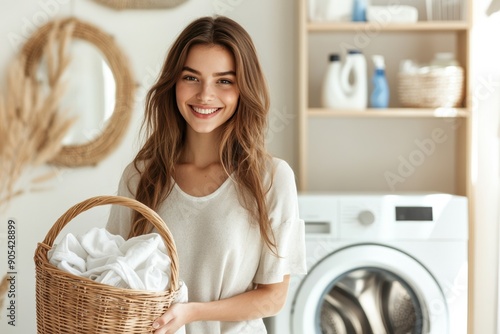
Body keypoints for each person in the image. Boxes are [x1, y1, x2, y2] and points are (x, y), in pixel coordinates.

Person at [106, 15, 306, 334]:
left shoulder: (272, 179)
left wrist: (193, 313)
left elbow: (273, 297)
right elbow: (112, 276)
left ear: (243, 89)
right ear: (174, 83)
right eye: (191, 78)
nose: (204, 95)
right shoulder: (139, 176)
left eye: (223, 80)